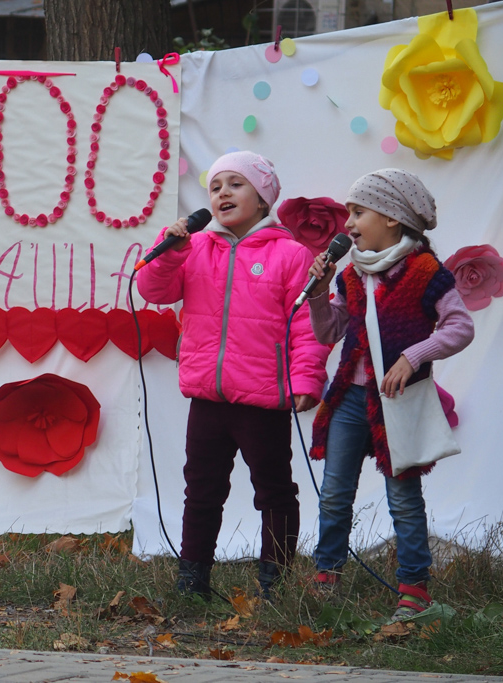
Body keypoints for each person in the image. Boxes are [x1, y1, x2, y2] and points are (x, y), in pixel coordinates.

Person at [135, 150, 329, 600]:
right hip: (208, 396)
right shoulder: (196, 247)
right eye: (216, 186)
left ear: (263, 199)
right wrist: (169, 251)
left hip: (263, 399)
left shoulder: (292, 255)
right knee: (201, 490)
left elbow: (308, 329)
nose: (222, 193)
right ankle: (193, 579)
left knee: (273, 491)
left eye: (235, 184)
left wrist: (305, 380)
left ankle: (274, 583)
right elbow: (153, 289)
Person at [305, 168, 474, 621]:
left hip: (397, 403)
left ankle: (414, 588)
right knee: (335, 492)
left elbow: (460, 327)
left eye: (359, 212)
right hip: (349, 400)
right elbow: (330, 332)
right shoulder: (353, 273)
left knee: (403, 496)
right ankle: (326, 574)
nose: (349, 224)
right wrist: (320, 294)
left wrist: (415, 355)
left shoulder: (425, 271)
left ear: (393, 219)